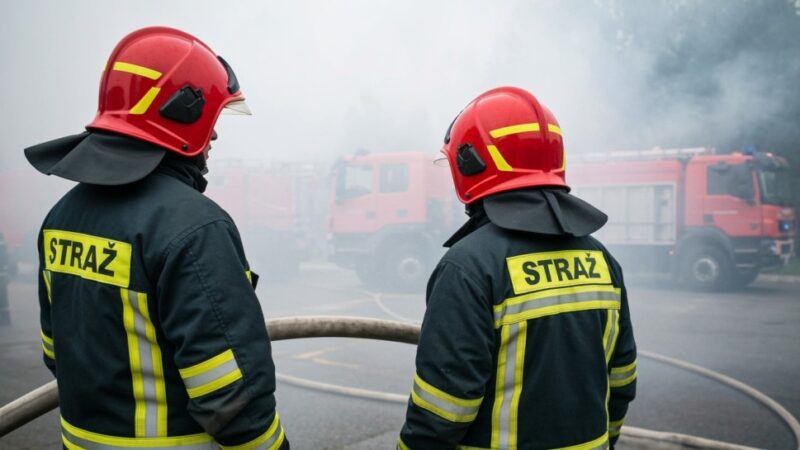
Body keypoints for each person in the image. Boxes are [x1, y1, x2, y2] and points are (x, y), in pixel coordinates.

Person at [24, 27, 288, 450]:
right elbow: (232, 398)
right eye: (212, 118)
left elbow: (57, 353)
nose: (215, 136)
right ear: (181, 111)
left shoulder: (62, 217)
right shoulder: (194, 228)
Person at [398, 86, 637, 449]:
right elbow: (621, 381)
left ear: (470, 163)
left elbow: (442, 410)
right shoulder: (602, 261)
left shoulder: (468, 268)